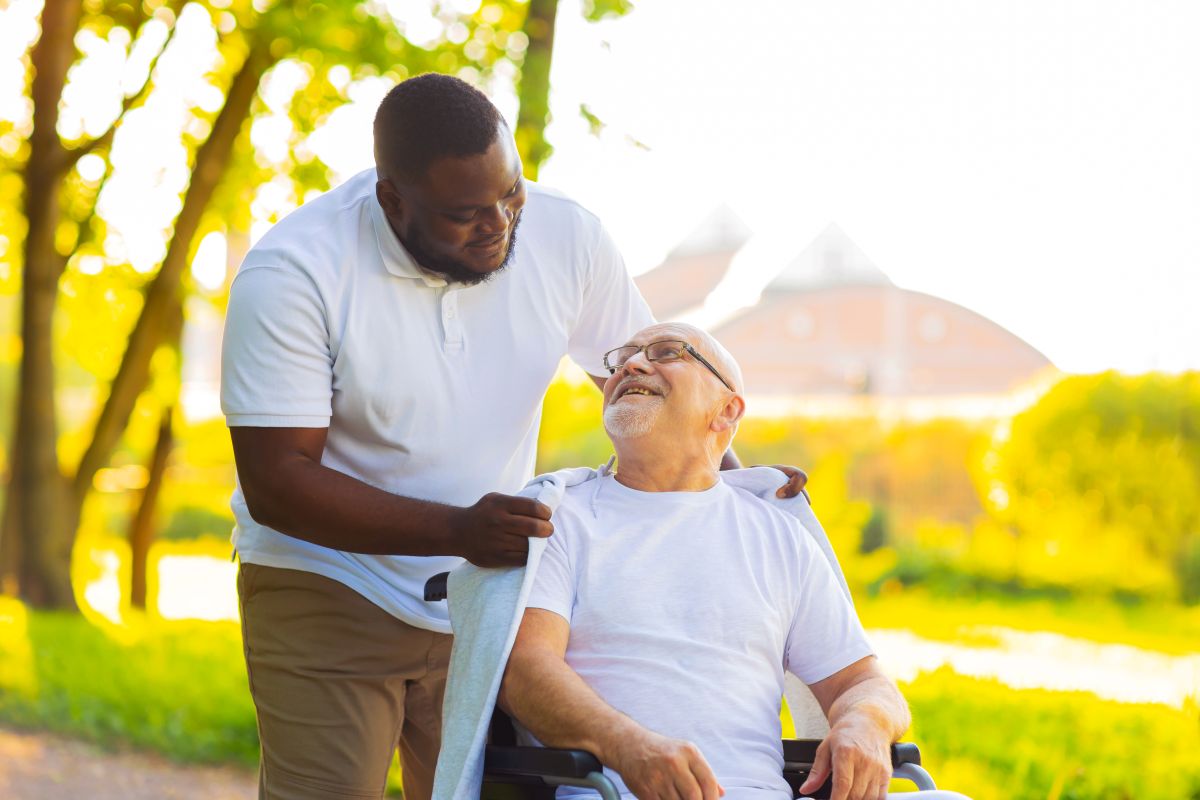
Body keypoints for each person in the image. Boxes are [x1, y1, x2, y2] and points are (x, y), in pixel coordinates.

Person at [221, 75, 805, 800]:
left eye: (511, 195)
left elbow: (667, 388)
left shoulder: (568, 238)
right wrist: (459, 529)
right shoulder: (293, 272)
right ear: (392, 199)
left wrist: (738, 490)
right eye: (465, 214)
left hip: (487, 595)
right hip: (329, 580)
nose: (498, 224)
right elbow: (277, 482)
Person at [499, 323, 967, 800]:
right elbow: (522, 672)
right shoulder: (559, 519)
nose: (631, 366)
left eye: (667, 352)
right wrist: (627, 745)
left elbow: (862, 681)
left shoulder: (780, 536)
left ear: (727, 410)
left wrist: (865, 723)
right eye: (622, 360)